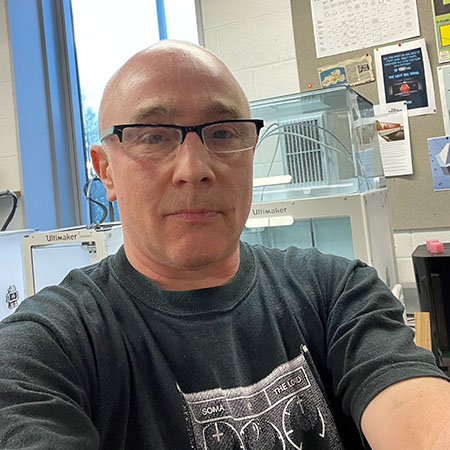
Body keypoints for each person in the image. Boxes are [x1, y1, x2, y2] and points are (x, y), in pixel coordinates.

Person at [0, 40, 449, 450]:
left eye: (222, 133)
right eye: (153, 136)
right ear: (106, 171)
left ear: (250, 151)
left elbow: (416, 409)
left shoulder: (338, 292)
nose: (194, 169)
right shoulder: (47, 347)